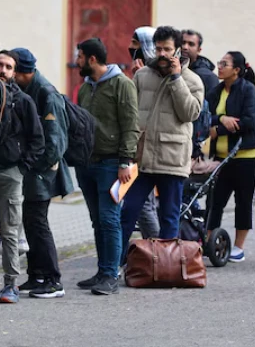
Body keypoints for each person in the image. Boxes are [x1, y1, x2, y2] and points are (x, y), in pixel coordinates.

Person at [120, 26, 204, 265]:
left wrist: (176, 78)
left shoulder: (192, 80)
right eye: (158, 49)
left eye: (167, 49)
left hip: (172, 159)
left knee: (169, 217)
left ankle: (167, 268)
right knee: (128, 213)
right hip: (144, 158)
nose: (163, 54)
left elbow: (190, 113)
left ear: (177, 49)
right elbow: (132, 114)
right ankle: (114, 265)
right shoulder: (143, 75)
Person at [0, 50, 44, 304]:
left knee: (9, 232)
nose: (3, 70)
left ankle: (11, 285)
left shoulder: (24, 101)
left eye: (8, 66)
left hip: (11, 173)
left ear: (14, 72)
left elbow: (38, 140)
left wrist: (21, 168)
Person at [75, 38, 139, 296]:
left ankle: (112, 274)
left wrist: (126, 160)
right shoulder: (84, 88)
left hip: (112, 163)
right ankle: (102, 271)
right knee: (97, 221)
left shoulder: (122, 84)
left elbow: (130, 124)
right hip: (87, 163)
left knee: (110, 219)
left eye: (80, 56)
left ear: (92, 59)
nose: (77, 61)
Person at [12, 47, 73, 298]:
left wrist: (33, 168)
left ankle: (52, 279)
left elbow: (55, 143)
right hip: (33, 172)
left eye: (13, 70)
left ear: (23, 72)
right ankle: (35, 274)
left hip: (43, 173)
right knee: (30, 222)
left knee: (38, 223)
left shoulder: (46, 93)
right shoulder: (28, 90)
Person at [207, 52, 255, 263]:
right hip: (222, 157)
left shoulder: (248, 91)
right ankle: (209, 241)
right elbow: (205, 114)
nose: (219, 67)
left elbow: (250, 121)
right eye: (219, 63)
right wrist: (222, 118)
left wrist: (219, 129)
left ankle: (238, 247)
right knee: (215, 200)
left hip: (248, 154)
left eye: (224, 64)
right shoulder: (217, 91)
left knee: (243, 201)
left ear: (237, 70)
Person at [128, 26, 161, 240]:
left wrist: (137, 79)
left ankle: (158, 250)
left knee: (144, 205)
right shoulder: (139, 71)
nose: (131, 47)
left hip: (151, 148)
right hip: (137, 147)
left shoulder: (154, 73)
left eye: (136, 43)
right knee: (137, 205)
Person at [182, 29, 219, 98]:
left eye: (191, 44)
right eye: (183, 43)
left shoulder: (208, 77)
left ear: (199, 50)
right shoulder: (170, 70)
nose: (185, 47)